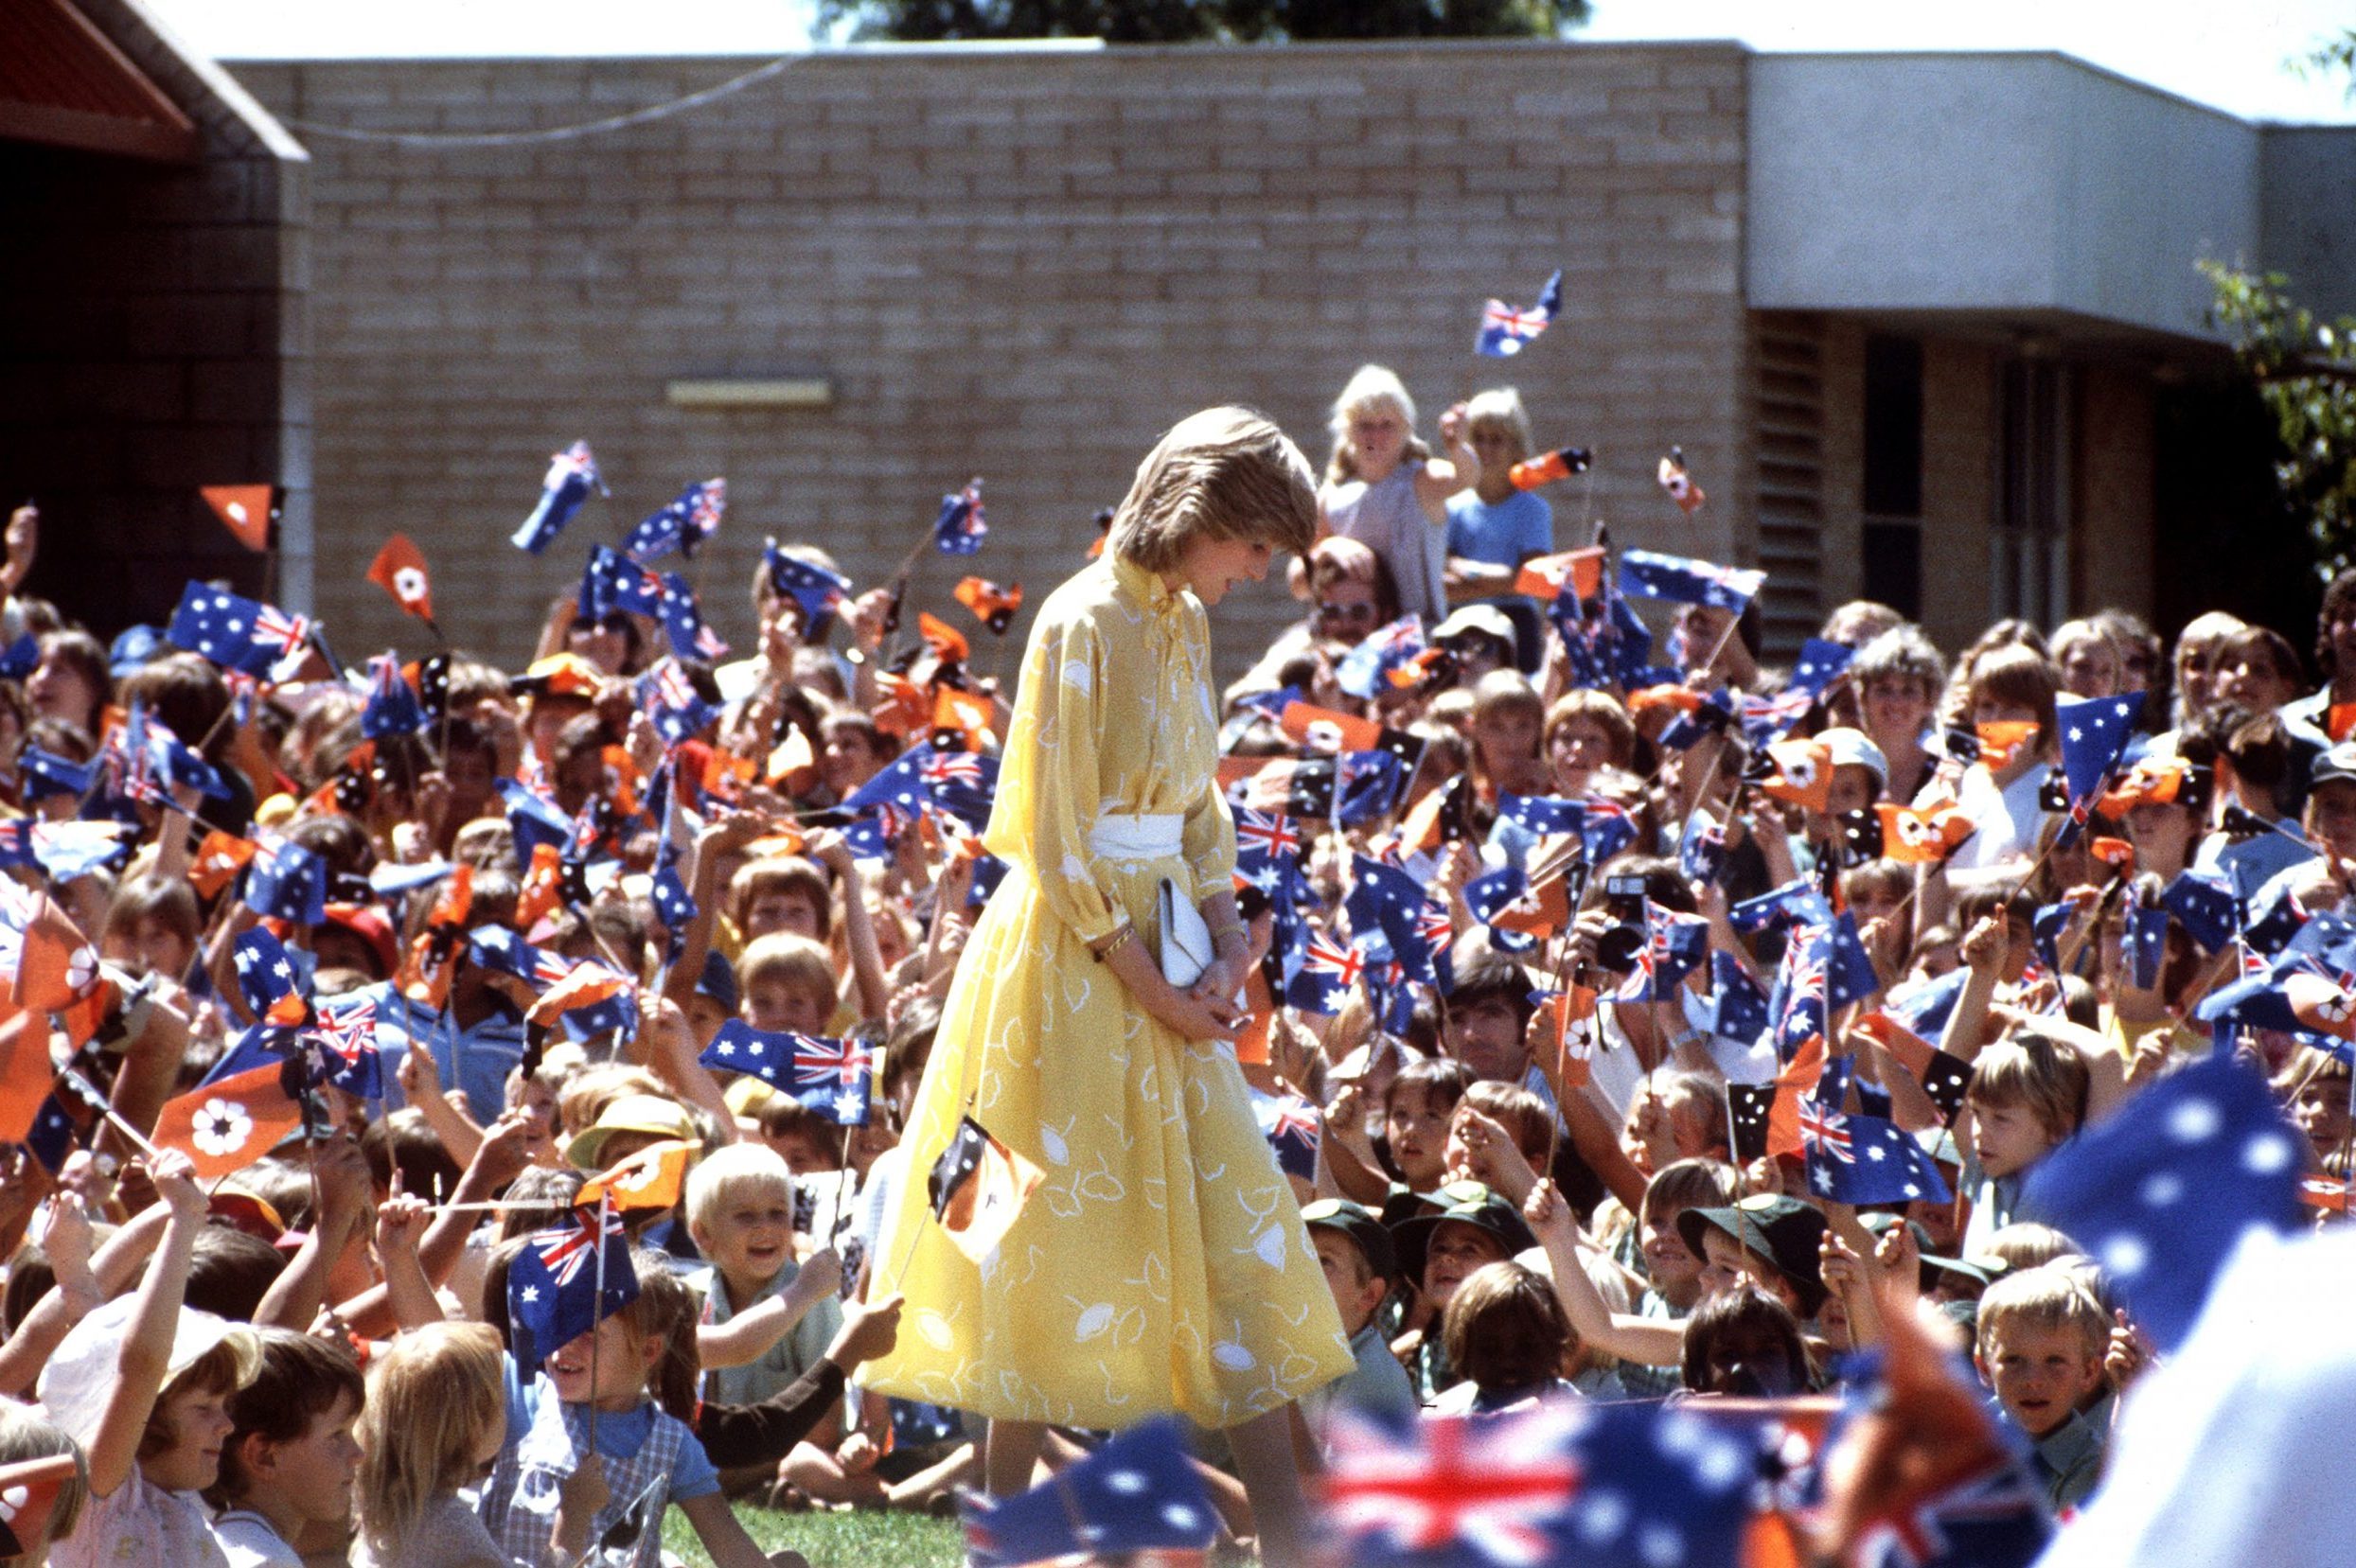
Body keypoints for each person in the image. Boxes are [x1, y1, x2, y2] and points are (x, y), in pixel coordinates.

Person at [859, 406, 1352, 1560]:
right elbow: (1054, 839)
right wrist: (1166, 988)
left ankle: (1289, 1542)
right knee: (1031, 1249)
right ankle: (1000, 1545)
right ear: (1210, 515)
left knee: (1240, 1241)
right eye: (1257, 547)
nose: (1259, 573)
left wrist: (1227, 941)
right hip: (1061, 981)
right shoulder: (1077, 621)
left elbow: (1198, 813)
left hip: (1166, 955)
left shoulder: (1182, 622)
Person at [479, 1254, 777, 1566]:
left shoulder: (671, 1443)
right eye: (560, 1325)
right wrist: (418, 1257)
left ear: (648, 1350)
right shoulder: (526, 1395)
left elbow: (727, 1541)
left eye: (589, 1334)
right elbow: (441, 1353)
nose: (564, 1346)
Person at [39, 1154, 259, 1568]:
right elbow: (136, 1367)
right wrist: (181, 1221)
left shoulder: (173, 1503)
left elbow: (103, 1349)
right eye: (203, 1407)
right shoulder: (100, 1501)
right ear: (145, 1417)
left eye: (224, 1405)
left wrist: (73, 1272)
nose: (227, 1425)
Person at [1315, 366, 1477, 623]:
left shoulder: (1422, 480)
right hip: (1352, 640)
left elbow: (1466, 477)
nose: (1376, 436)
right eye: (1365, 425)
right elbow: (1298, 582)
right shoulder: (1333, 497)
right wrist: (1328, 548)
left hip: (1418, 641)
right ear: (1347, 431)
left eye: (1387, 425)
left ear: (1405, 428)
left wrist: (1458, 445)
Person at [353, 1320, 512, 1568]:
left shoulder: (386, 1510)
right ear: (473, 1429)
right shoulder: (452, 1528)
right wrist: (570, 1524)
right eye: (502, 1402)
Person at [208, 1330, 366, 1568]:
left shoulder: (228, 1544)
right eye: (336, 1436)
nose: (358, 1455)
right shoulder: (267, 1562)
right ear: (265, 1457)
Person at [1972, 1266, 2109, 1507]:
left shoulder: (2091, 1469)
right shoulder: (1967, 1437)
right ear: (1984, 1368)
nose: (2033, 1380)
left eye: (2055, 1361)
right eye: (2013, 1360)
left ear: (2089, 1371)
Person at [1441, 387, 1552, 604]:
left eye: (1496, 440)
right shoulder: (1452, 507)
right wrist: (1505, 581)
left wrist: (1467, 570)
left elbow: (1534, 581)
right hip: (1461, 621)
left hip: (1515, 622)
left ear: (1517, 450)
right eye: (1478, 439)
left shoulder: (1533, 510)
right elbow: (1441, 584)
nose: (1485, 448)